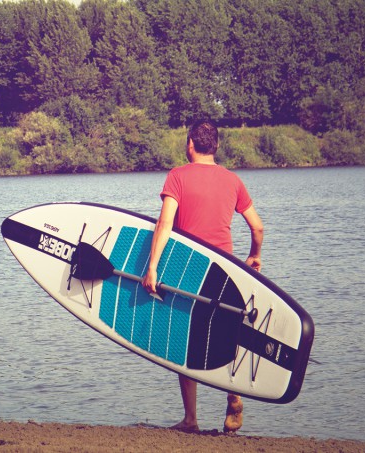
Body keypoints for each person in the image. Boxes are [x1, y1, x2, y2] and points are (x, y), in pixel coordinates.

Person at [140, 120, 264, 434]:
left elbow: (165, 224)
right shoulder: (233, 180)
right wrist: (255, 256)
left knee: (186, 341)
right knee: (225, 334)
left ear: (190, 144)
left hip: (189, 269)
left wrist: (152, 267)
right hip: (226, 271)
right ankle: (233, 394)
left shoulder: (177, 176)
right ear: (216, 146)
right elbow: (258, 226)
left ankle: (191, 419)